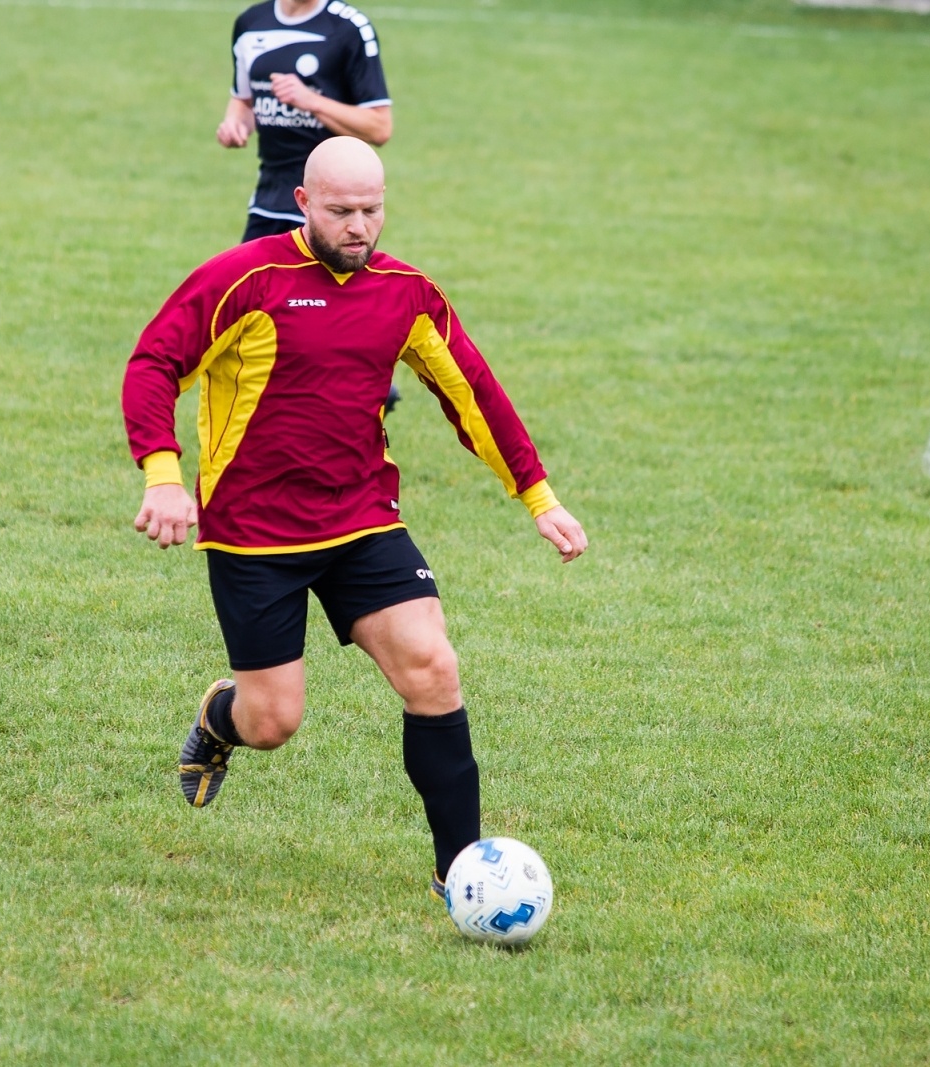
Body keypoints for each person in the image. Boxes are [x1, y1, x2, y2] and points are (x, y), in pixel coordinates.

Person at [122, 137, 588, 901]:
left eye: (373, 210)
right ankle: (219, 716)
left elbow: (472, 390)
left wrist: (538, 496)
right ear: (303, 204)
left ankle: (460, 872)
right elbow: (153, 364)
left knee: (433, 668)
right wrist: (164, 475)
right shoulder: (246, 278)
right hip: (254, 533)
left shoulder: (405, 293)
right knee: (274, 720)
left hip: (362, 521)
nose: (360, 227)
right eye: (342, 211)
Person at [218, 0, 393, 244]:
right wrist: (235, 124)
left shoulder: (349, 28)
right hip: (268, 198)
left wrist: (311, 101)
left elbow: (379, 126)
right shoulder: (251, 23)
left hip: (330, 206)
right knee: (250, 279)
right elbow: (245, 100)